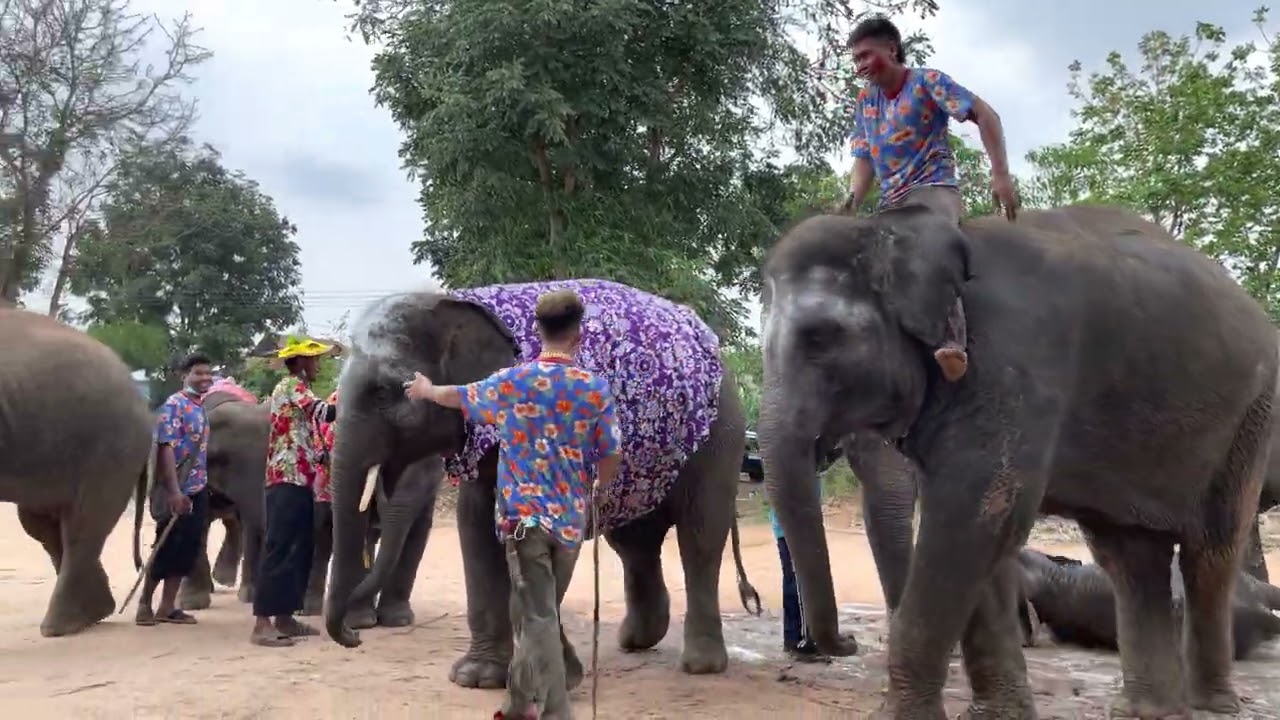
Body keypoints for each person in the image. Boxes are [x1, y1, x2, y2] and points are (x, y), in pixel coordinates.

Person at [405, 289, 622, 720]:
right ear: (578, 334)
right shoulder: (594, 389)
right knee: (537, 612)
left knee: (536, 616)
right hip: (570, 522)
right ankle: (517, 703)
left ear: (537, 331)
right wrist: (602, 485)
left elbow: (460, 396)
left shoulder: (512, 383)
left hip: (524, 522)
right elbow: (611, 451)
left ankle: (556, 709)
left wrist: (428, 390)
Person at [843, 15, 1019, 383]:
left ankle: (954, 344)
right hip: (892, 201)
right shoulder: (866, 101)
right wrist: (851, 203)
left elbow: (985, 114)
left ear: (891, 49)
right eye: (856, 60)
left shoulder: (928, 82)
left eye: (865, 56)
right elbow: (864, 160)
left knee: (929, 239)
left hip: (932, 189)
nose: (860, 67)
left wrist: (1000, 174)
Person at [251, 337, 337, 647]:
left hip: (302, 479)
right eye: (314, 360)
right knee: (280, 547)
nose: (318, 365)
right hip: (285, 478)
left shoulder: (299, 390)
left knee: (299, 550)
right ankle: (262, 623)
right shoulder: (290, 387)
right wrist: (354, 400)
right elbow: (324, 413)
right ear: (299, 362)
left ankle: (284, 617)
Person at [136, 352, 214, 627]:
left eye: (208, 373)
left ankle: (167, 608)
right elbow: (165, 447)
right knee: (165, 547)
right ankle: (144, 604)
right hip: (178, 488)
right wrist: (173, 492)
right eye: (198, 373)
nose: (205, 378)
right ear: (184, 376)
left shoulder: (199, 405)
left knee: (187, 550)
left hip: (197, 487)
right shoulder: (175, 405)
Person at [768, 475, 828, 663]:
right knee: (798, 581)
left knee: (800, 581)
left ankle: (799, 638)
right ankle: (800, 640)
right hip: (791, 530)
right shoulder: (787, 460)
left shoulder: (809, 462)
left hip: (802, 528)